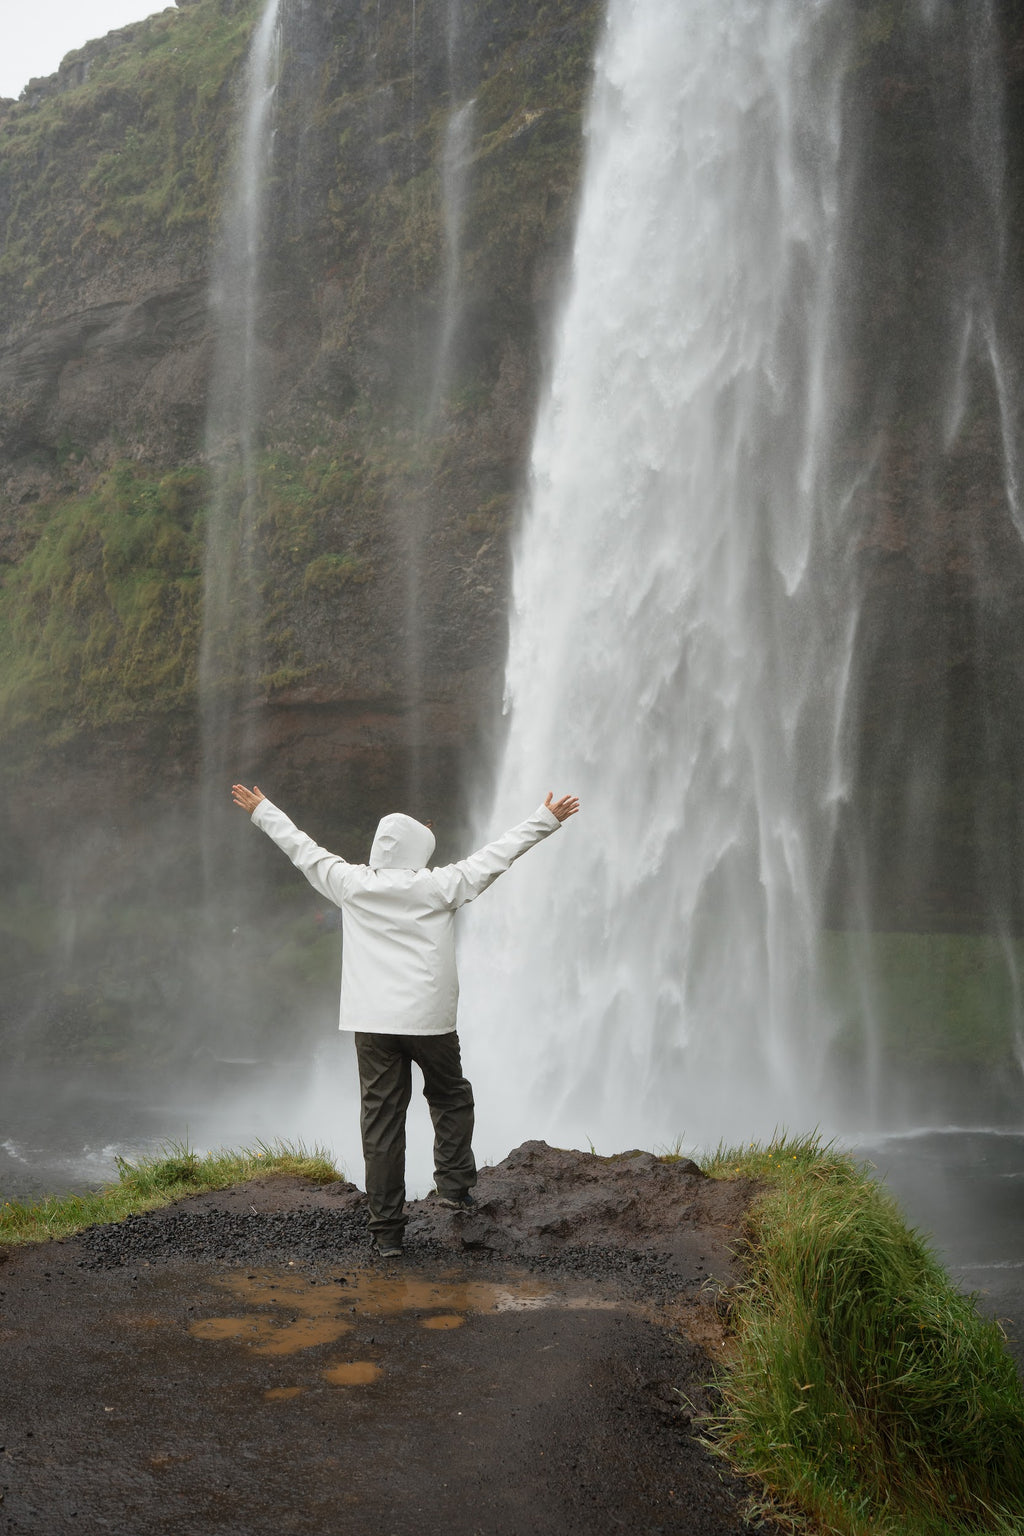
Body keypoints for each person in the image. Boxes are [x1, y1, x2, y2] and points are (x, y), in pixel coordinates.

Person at [230, 782, 580, 1257]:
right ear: (420, 853)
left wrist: (262, 809)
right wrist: (546, 818)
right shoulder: (440, 884)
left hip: (371, 1023)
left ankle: (387, 1235)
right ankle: (455, 1190)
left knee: (381, 1123)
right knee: (450, 1097)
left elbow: (301, 847)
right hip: (430, 1021)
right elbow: (497, 855)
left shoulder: (349, 883)